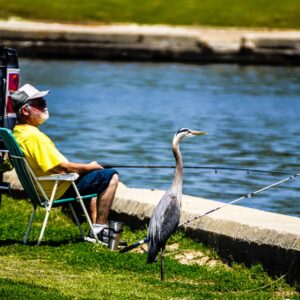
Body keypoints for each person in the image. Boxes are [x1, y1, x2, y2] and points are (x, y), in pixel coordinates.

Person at [11, 83, 119, 245]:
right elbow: (62, 167)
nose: (45, 106)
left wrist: (86, 169)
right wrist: (91, 166)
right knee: (110, 176)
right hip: (57, 189)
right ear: (25, 111)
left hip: (43, 189)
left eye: (44, 102)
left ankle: (95, 231)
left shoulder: (18, 132)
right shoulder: (34, 137)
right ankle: (100, 229)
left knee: (96, 177)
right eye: (39, 104)